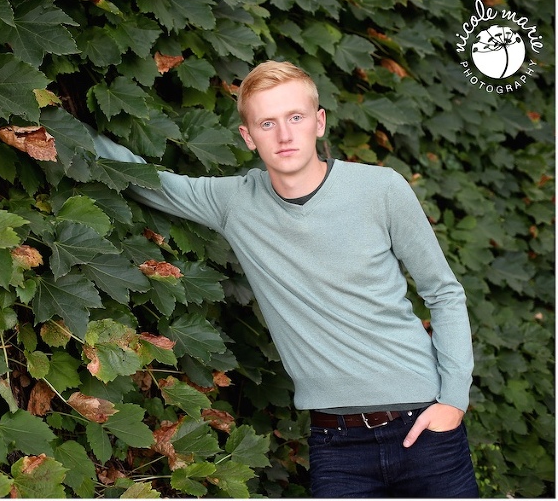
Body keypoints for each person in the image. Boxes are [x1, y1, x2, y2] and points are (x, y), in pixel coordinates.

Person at [87, 60, 478, 497]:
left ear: (319, 122)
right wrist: (56, 127)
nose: (284, 134)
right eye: (267, 123)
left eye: (295, 117)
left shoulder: (381, 189)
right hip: (336, 445)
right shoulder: (235, 202)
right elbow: (148, 181)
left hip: (424, 427)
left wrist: (453, 401)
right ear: (248, 137)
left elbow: (443, 292)